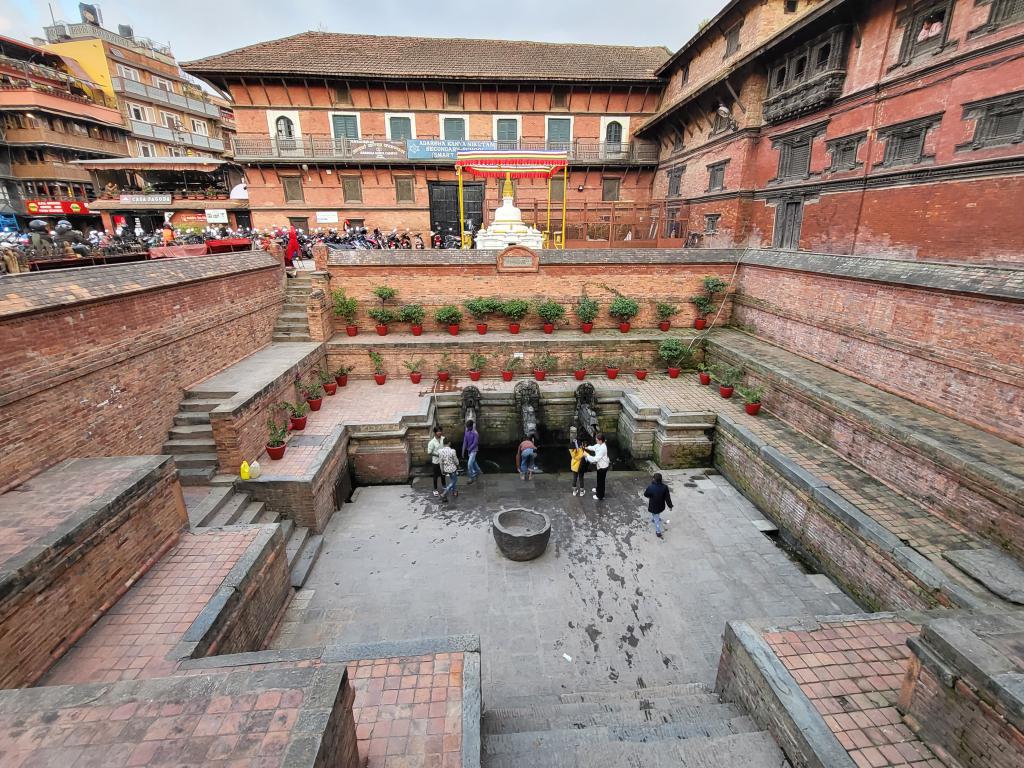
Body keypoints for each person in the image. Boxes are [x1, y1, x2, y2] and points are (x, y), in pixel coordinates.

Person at [643, 473, 674, 539]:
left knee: (656, 518)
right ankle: (654, 518)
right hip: (661, 505)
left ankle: (658, 531)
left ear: (654, 479)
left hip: (653, 506)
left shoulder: (650, 487)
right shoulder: (665, 487)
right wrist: (670, 506)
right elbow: (667, 498)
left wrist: (650, 496)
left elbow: (645, 494)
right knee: (657, 514)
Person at [585, 433, 611, 500]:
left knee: (601, 481)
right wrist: (586, 448)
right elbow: (594, 447)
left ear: (600, 440)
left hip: (603, 467)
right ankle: (598, 489)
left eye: (597, 440)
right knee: (599, 479)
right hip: (600, 466)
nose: (596, 441)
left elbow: (595, 459)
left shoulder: (603, 448)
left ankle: (600, 495)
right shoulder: (599, 444)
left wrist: (587, 455)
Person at [427, 427, 446, 496]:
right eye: (438, 431)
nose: (440, 432)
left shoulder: (443, 439)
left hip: (442, 461)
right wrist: (438, 455)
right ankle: (435, 489)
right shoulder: (431, 442)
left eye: (440, 431)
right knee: (435, 476)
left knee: (443, 474)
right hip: (435, 462)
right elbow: (429, 452)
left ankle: (444, 486)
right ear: (435, 433)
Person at [462, 419, 481, 484]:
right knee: (474, 461)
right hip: (469, 450)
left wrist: (469, 449)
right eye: (467, 427)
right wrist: (463, 450)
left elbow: (475, 443)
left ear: (471, 426)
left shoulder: (475, 433)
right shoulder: (466, 432)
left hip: (474, 450)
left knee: (469, 464)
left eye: (468, 427)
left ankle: (471, 477)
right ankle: (478, 471)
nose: (467, 428)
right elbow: (465, 441)